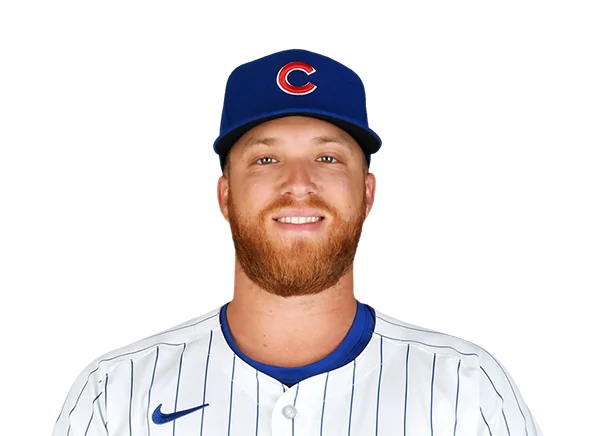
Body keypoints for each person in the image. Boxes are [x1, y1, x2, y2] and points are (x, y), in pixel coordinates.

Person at [52, 49, 540, 436]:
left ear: (368, 193)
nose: (299, 185)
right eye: (266, 160)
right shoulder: (117, 395)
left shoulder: (465, 390)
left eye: (328, 159)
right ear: (224, 196)